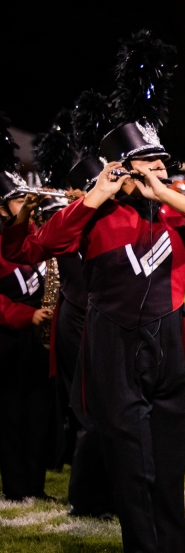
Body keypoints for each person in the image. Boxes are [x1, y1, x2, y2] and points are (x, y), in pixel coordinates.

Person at [10, 31, 185, 553]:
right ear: (120, 167)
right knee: (133, 462)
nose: (158, 171)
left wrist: (166, 195)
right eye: (149, 164)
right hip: (113, 343)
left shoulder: (173, 215)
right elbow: (39, 246)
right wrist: (94, 196)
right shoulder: (91, 217)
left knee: (168, 463)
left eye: (161, 164)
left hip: (168, 341)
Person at [2, 95, 117, 517]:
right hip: (65, 326)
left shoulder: (120, 218)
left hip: (100, 324)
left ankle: (88, 489)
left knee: (95, 414)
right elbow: (22, 250)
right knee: (84, 414)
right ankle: (81, 497)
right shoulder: (61, 222)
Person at [0, 124, 54, 502]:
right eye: (19, 200)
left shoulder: (37, 233)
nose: (27, 204)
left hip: (39, 340)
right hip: (8, 339)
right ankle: (16, 487)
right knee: (10, 414)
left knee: (39, 413)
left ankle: (36, 484)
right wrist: (25, 316)